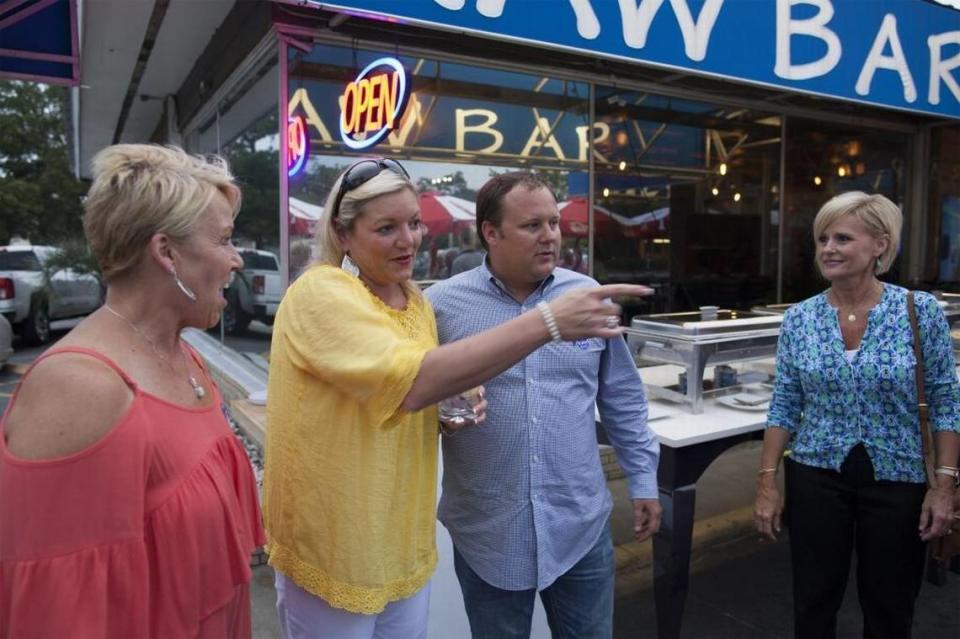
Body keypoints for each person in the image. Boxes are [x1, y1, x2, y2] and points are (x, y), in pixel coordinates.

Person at [262, 158, 650, 639]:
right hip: (368, 540)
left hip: (452, 538)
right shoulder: (332, 292)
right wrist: (548, 323)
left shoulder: (418, 302)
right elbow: (411, 379)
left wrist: (445, 409)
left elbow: (621, 397)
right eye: (386, 228)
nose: (408, 240)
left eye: (414, 223)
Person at [0, 144, 265, 638]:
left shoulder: (187, 355)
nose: (236, 260)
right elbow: (54, 611)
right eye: (225, 240)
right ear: (165, 252)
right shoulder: (79, 387)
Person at [424, 171, 662, 639]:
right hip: (488, 532)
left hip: (579, 526)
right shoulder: (442, 307)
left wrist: (644, 480)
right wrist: (441, 411)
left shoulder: (586, 296)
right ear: (491, 233)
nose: (551, 235)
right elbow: (414, 396)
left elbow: (623, 402)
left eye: (553, 222)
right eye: (533, 226)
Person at [754, 191, 960, 639]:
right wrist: (767, 482)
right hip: (815, 473)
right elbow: (785, 402)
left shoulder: (919, 311)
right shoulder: (800, 318)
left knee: (889, 605)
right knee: (812, 600)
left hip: (898, 475)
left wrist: (944, 485)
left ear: (880, 245)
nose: (827, 248)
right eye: (822, 238)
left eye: (842, 238)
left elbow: (946, 401)